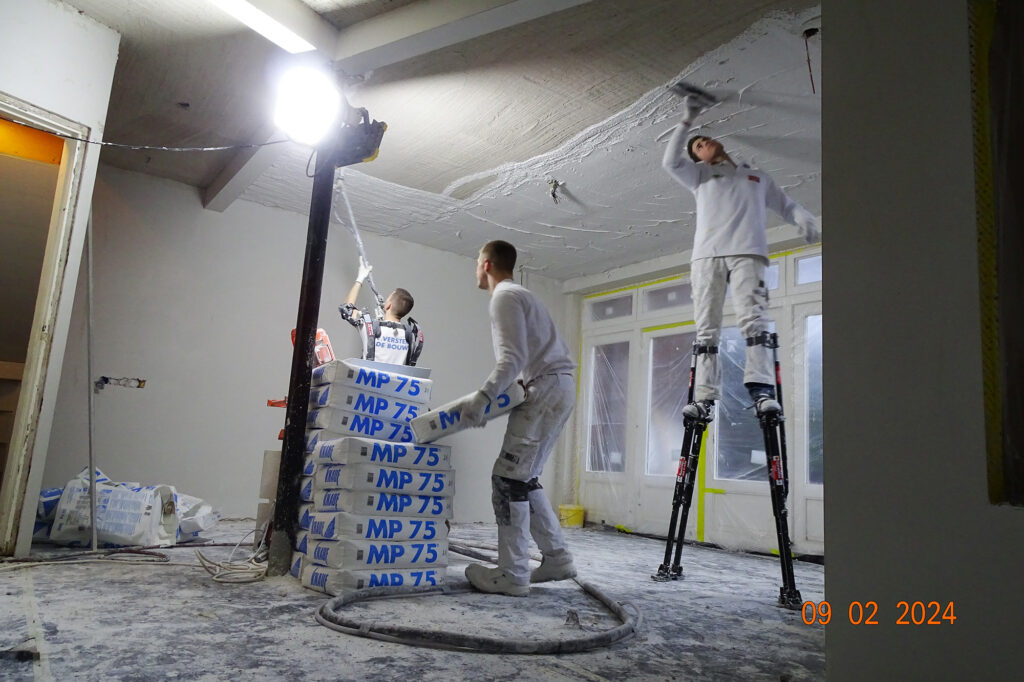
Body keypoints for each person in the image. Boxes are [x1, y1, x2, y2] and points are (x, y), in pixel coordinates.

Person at [662, 96, 821, 422]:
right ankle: (705, 398)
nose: (704, 145)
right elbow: (670, 163)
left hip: (749, 253)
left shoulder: (758, 177)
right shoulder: (700, 177)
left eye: (704, 141)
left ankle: (761, 392)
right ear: (699, 160)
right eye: (698, 147)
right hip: (707, 257)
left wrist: (804, 218)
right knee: (707, 329)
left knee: (756, 322)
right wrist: (687, 120)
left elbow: (786, 205)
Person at [457, 240, 577, 597]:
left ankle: (512, 574)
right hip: (557, 387)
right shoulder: (522, 294)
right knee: (523, 478)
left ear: (487, 264)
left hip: (547, 389)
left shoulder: (504, 297)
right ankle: (557, 558)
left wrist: (482, 398)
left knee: (507, 480)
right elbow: (525, 357)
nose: (476, 268)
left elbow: (512, 357)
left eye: (477, 262)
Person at [338, 257, 423, 366]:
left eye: (388, 298)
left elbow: (346, 309)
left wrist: (359, 279)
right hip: (394, 383)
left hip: (367, 382)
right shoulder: (410, 335)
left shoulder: (370, 327)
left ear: (388, 305)